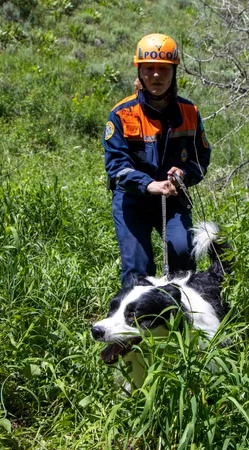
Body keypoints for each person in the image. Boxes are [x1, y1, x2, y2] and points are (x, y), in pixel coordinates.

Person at [103, 33, 211, 288]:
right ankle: (136, 324)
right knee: (137, 269)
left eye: (163, 68)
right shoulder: (121, 114)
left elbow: (201, 158)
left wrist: (184, 174)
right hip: (132, 200)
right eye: (149, 68)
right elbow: (115, 166)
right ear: (139, 72)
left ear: (173, 72)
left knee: (183, 254)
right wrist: (148, 184)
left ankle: (181, 319)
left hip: (173, 199)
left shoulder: (190, 112)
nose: (156, 75)